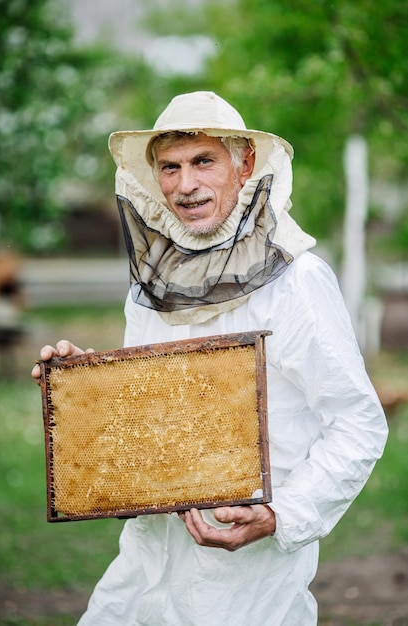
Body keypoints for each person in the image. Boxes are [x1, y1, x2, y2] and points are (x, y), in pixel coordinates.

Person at [32, 91, 388, 625]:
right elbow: (151, 417)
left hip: (249, 578)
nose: (184, 184)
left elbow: (358, 423)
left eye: (203, 161)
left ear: (245, 164)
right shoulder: (149, 290)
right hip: (148, 557)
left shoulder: (299, 282)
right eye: (170, 168)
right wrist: (84, 390)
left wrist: (280, 515)